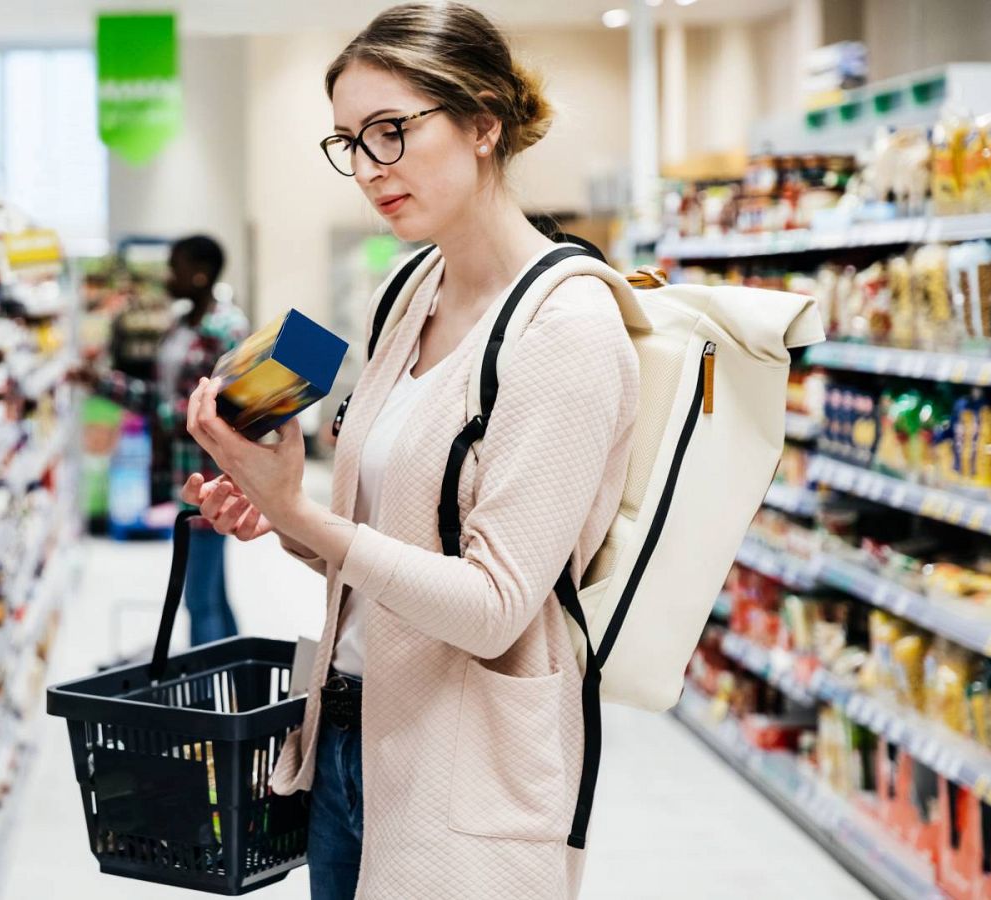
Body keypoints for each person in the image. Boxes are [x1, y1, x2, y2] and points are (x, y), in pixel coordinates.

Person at [182, 5, 640, 898]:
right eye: (349, 142)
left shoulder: (566, 327)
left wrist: (302, 511)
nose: (367, 168)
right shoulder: (407, 289)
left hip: (465, 764)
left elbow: (495, 608)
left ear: (482, 122)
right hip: (348, 741)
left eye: (391, 131)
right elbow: (378, 544)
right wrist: (280, 518)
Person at [98, 235, 247, 645]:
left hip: (213, 474)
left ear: (200, 273)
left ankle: (207, 698)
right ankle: (237, 681)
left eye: (175, 266)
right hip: (184, 472)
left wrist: (166, 416)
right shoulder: (182, 326)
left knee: (199, 598)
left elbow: (225, 404)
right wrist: (99, 381)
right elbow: (160, 399)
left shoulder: (226, 328)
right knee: (211, 591)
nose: (167, 276)